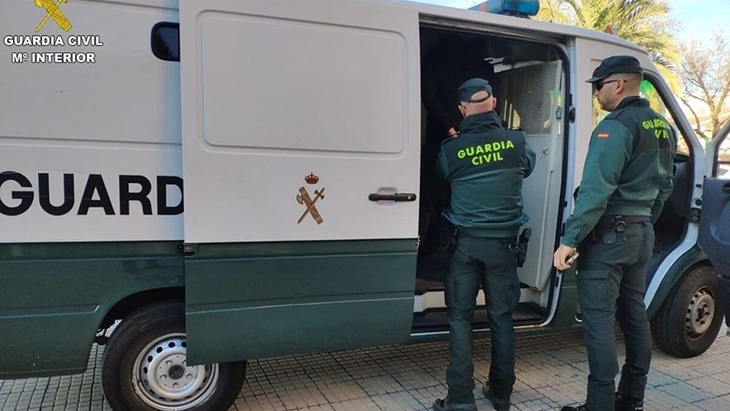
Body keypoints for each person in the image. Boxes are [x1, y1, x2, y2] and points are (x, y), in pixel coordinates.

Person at [553, 56, 676, 411]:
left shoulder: (615, 127)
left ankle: (600, 404)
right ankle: (631, 399)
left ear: (619, 84)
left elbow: (595, 191)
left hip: (609, 238)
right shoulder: (660, 125)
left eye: (599, 85)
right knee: (635, 316)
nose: (596, 93)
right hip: (640, 234)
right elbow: (666, 185)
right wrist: (645, 219)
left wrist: (569, 239)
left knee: (599, 323)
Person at [433, 78, 535, 411]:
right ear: (493, 104)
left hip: (466, 247)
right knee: (501, 318)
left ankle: (461, 399)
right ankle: (501, 393)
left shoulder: (451, 149)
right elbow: (529, 167)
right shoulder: (517, 142)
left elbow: (439, 182)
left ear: (462, 111)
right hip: (503, 248)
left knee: (460, 319)